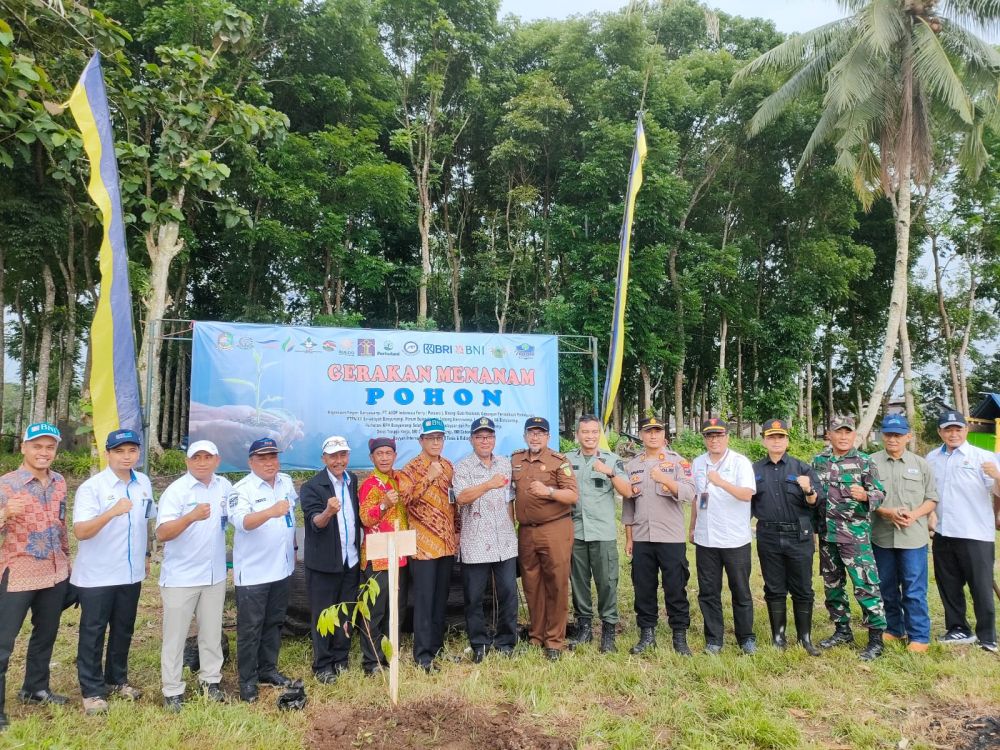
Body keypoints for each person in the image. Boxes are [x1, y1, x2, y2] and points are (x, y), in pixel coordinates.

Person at [72, 428, 156, 715]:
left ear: (138, 453)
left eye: (131, 450)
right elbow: (81, 532)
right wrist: (111, 512)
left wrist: (146, 554)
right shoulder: (92, 488)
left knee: (123, 628)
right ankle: (92, 691)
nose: (126, 456)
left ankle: (117, 680)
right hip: (98, 574)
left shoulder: (143, 482)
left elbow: (147, 520)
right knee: (93, 631)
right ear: (108, 454)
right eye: (119, 451)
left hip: (130, 572)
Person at [0, 423, 70, 731]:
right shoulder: (6, 486)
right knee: (4, 642)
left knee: (46, 634)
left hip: (54, 572)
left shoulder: (59, 482)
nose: (44, 453)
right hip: (18, 573)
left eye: (49, 447)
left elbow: (61, 524)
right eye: (37, 446)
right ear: (24, 448)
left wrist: (68, 562)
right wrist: (4, 514)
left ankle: (35, 688)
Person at [155, 440, 231, 710]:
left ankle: (211, 680)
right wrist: (190, 517)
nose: (202, 462)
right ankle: (172, 690)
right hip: (181, 578)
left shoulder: (224, 487)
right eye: (196, 457)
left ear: (217, 460)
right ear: (187, 462)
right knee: (175, 636)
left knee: (211, 633)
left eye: (207, 457)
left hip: (214, 575)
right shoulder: (177, 491)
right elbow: (162, 533)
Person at [811, 416, 888, 661]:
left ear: (854, 435)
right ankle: (842, 630)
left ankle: (876, 639)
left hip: (854, 537)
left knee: (865, 586)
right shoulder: (818, 462)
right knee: (833, 587)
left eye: (848, 432)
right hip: (827, 536)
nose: (843, 436)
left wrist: (866, 495)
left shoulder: (864, 462)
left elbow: (880, 493)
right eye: (838, 432)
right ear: (829, 435)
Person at [229, 437, 298, 702]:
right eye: (263, 458)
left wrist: (292, 549)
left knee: (274, 623)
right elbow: (242, 522)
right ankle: (247, 680)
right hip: (254, 574)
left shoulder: (286, 482)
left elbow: (290, 518)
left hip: (281, 569)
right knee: (250, 629)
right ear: (251, 462)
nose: (270, 463)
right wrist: (270, 511)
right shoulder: (241, 489)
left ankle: (268, 670)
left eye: (273, 457)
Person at [925, 410, 1000, 652]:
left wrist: (997, 476)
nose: (953, 433)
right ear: (940, 432)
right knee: (948, 583)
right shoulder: (932, 458)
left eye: (958, 429)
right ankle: (958, 629)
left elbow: (998, 492)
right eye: (948, 429)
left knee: (980, 585)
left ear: (966, 430)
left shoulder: (984, 457)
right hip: (943, 531)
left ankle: (988, 636)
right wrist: (930, 516)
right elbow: (930, 493)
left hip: (975, 532)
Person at [622, 415, 696, 656]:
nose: (653, 435)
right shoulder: (632, 465)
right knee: (643, 587)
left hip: (670, 537)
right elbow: (628, 504)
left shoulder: (678, 463)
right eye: (648, 431)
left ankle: (679, 637)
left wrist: (665, 479)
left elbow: (689, 493)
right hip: (642, 536)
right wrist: (629, 537)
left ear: (664, 435)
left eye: (657, 431)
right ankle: (647, 635)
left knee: (675, 587)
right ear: (642, 435)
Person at [751, 418, 824, 655]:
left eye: (780, 437)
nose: (776, 441)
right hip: (768, 534)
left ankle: (805, 638)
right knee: (774, 588)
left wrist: (808, 490)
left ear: (787, 440)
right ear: (764, 440)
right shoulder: (754, 470)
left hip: (798, 534)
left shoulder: (802, 468)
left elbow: (816, 502)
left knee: (803, 587)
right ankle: (778, 637)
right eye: (771, 437)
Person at [511, 416, 579, 660]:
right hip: (527, 531)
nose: (535, 437)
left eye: (540, 433)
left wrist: (549, 491)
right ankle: (536, 635)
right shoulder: (516, 459)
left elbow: (572, 495)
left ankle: (554, 640)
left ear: (548, 437)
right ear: (525, 436)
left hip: (555, 529)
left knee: (557, 584)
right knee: (531, 585)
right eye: (531, 433)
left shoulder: (559, 461)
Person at [869, 414, 938, 653]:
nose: (893, 439)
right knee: (886, 586)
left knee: (914, 588)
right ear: (882, 436)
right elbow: (864, 499)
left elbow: (932, 499)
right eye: (888, 434)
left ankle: (919, 635)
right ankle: (894, 629)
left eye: (898, 435)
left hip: (914, 537)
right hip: (882, 536)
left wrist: (915, 514)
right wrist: (887, 512)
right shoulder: (871, 463)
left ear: (908, 436)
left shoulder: (921, 465)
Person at [452, 417, 518, 662]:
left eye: (489, 436)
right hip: (476, 542)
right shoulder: (463, 467)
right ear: (471, 440)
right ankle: (479, 643)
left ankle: (506, 642)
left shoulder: (505, 463)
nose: (484, 441)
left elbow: (509, 500)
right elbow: (462, 498)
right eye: (479, 437)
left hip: (504, 541)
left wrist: (512, 528)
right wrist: (489, 484)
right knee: (474, 598)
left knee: (508, 594)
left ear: (494, 439)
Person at [690, 418, 757, 655]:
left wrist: (721, 482)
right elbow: (698, 498)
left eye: (719, 435)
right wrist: (692, 527)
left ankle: (746, 637)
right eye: (709, 436)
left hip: (734, 538)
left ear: (727, 437)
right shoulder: (698, 463)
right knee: (708, 591)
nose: (714, 440)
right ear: (705, 439)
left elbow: (747, 495)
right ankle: (714, 639)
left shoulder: (740, 462)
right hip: (706, 538)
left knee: (740, 590)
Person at [565, 415, 631, 653]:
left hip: (602, 533)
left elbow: (629, 492)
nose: (590, 436)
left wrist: (610, 473)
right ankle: (584, 628)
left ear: (600, 434)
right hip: (576, 532)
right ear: (577, 434)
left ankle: (608, 631)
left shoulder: (612, 460)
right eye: (585, 432)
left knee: (607, 583)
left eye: (594, 432)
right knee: (579, 582)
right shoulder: (566, 460)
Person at [300, 435, 361, 682]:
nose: (339, 461)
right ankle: (323, 665)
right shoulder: (312, 487)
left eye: (343, 455)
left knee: (346, 612)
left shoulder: (352, 480)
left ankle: (341, 658)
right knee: (324, 615)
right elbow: (315, 523)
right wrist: (328, 512)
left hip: (350, 560)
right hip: (324, 565)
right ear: (324, 458)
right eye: (333, 456)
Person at [399, 418, 457, 672]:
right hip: (423, 547)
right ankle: (422, 655)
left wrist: (457, 532)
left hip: (445, 545)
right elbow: (405, 500)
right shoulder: (409, 470)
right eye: (431, 438)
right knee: (423, 601)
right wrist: (428, 478)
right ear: (421, 441)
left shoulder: (448, 466)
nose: (435, 442)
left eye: (439, 438)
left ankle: (437, 647)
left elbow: (453, 504)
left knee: (440, 599)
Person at [357, 437, 409, 675]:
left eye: (389, 453)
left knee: (395, 610)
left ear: (395, 455)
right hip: (378, 557)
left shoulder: (398, 480)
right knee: (375, 611)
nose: (385, 457)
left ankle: (391, 655)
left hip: (399, 554)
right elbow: (366, 519)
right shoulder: (370, 484)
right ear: (372, 458)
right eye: (380, 454)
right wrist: (385, 505)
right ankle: (372, 661)